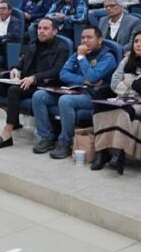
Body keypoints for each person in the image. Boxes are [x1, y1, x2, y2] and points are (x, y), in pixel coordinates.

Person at [0, 18, 69, 149]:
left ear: (55, 31)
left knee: (13, 91)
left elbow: (57, 71)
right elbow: (21, 62)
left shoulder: (61, 48)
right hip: (24, 82)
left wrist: (34, 78)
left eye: (46, 29)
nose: (41, 31)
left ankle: (7, 134)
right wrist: (15, 69)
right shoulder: (33, 43)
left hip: (42, 85)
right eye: (39, 28)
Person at [31, 26, 117, 158]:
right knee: (39, 96)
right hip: (73, 90)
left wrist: (82, 58)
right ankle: (46, 137)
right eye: (82, 37)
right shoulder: (77, 53)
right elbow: (63, 74)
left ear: (99, 40)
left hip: (92, 96)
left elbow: (93, 77)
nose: (84, 40)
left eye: (89, 37)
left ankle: (65, 142)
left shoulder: (107, 57)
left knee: (65, 101)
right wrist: (84, 80)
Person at [90, 31, 141, 173]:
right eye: (136, 41)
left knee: (125, 111)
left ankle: (119, 152)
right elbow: (114, 83)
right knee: (100, 104)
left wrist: (128, 81)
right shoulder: (127, 60)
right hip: (123, 98)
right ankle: (102, 152)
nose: (138, 45)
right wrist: (135, 86)